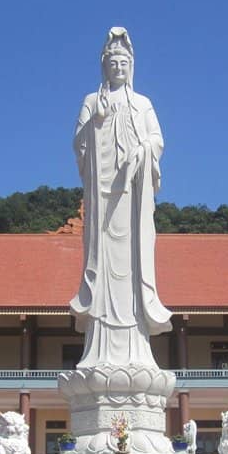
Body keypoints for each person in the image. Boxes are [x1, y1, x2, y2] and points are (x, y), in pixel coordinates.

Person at [70, 27, 171, 368]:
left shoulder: (143, 104)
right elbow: (79, 145)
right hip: (102, 200)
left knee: (134, 260)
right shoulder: (91, 101)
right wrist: (96, 121)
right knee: (100, 260)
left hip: (133, 200)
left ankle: (137, 349)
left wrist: (142, 151)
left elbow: (157, 139)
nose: (118, 68)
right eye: (113, 63)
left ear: (132, 66)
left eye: (124, 63)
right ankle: (98, 349)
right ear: (104, 66)